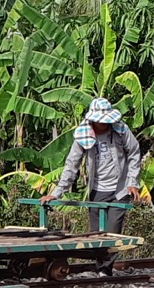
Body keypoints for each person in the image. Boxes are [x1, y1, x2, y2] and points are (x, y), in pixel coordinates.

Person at [48, 97, 141, 233]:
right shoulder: (83, 134)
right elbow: (72, 165)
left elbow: (134, 153)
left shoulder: (121, 130)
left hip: (120, 190)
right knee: (95, 234)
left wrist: (132, 182)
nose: (104, 123)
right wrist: (56, 193)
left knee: (113, 234)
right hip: (97, 190)